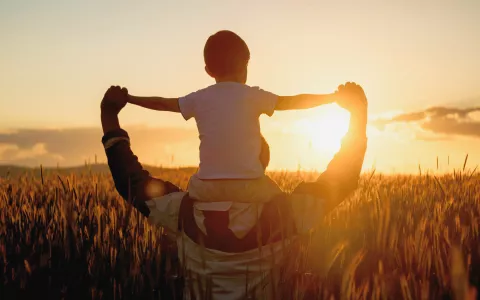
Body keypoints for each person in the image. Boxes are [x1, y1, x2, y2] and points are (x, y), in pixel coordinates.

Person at [100, 82, 368, 299]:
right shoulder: (286, 214)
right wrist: (358, 115)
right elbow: (341, 179)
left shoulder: (182, 212)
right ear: (262, 163)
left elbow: (131, 183)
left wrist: (109, 116)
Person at [124, 30, 346, 239]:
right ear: (245, 64)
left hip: (205, 186)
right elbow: (293, 101)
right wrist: (332, 97)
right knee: (282, 207)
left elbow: (162, 103)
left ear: (208, 71)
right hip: (250, 185)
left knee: (187, 212)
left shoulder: (198, 98)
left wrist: (130, 98)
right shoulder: (252, 95)